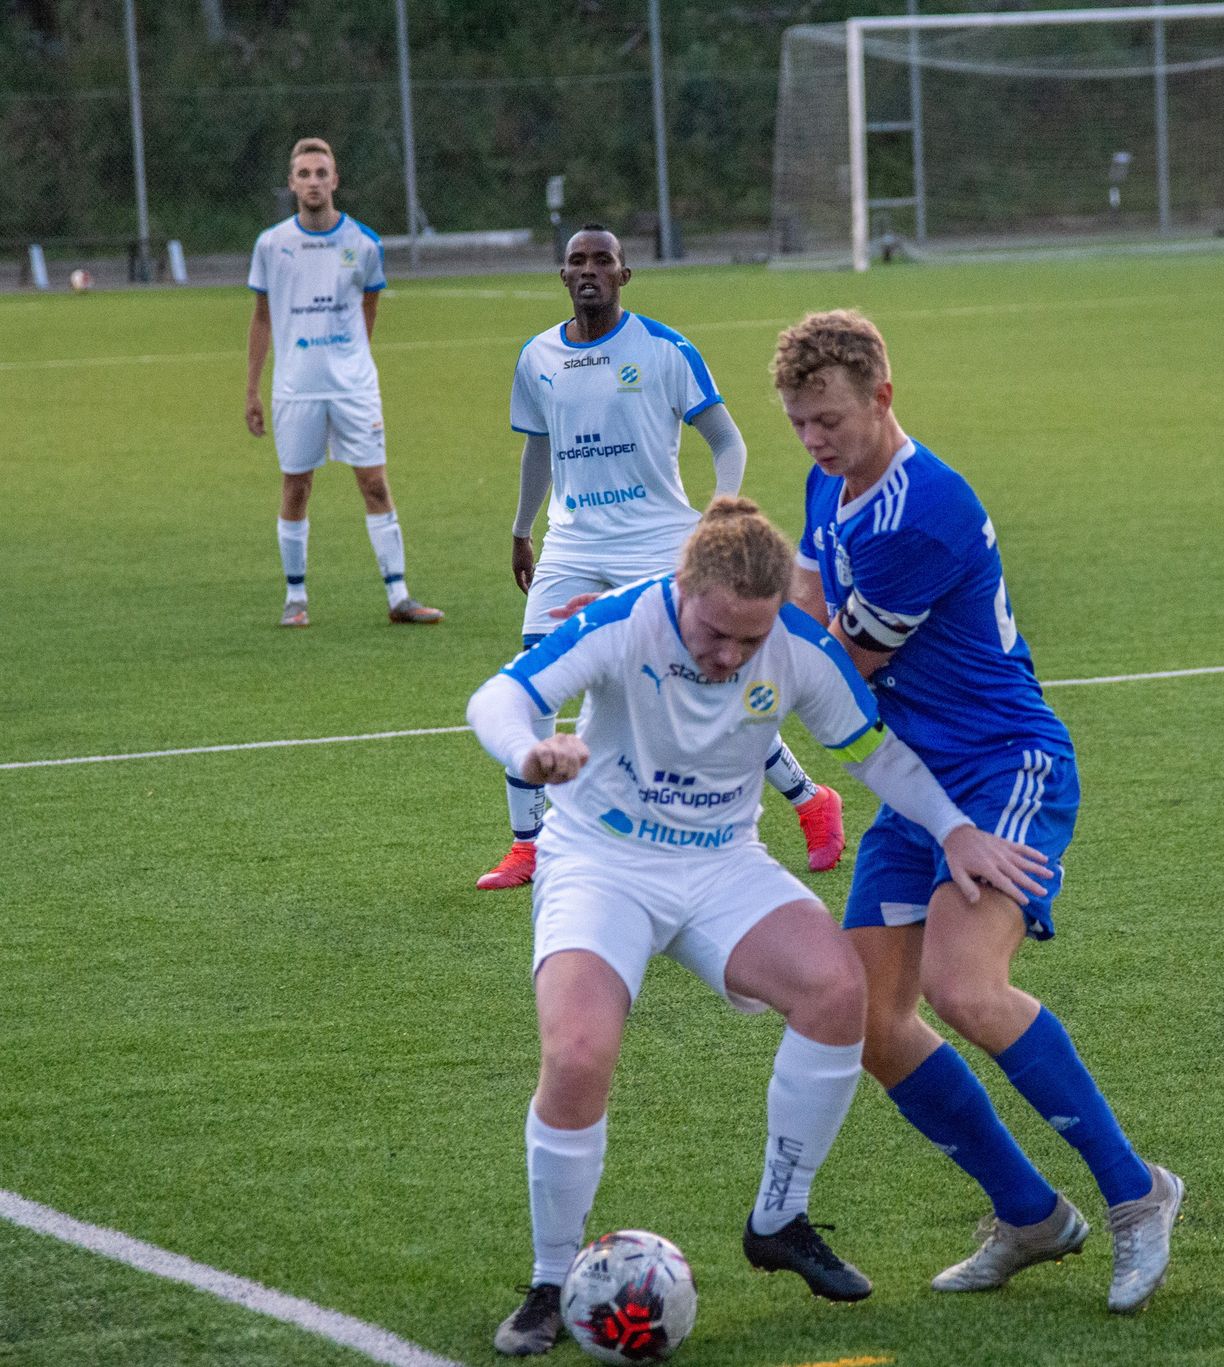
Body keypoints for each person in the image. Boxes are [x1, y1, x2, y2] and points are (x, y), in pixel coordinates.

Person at [469, 496, 1051, 1356]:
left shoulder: (799, 647)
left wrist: (953, 827)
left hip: (721, 863)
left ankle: (780, 1216)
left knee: (838, 989)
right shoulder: (624, 620)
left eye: (751, 638)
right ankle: (551, 1281)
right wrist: (529, 752)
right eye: (714, 633)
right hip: (602, 862)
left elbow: (874, 751)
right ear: (682, 589)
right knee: (580, 1052)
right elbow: (501, 695)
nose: (731, 655)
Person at [776, 310, 1184, 1316]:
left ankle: (1137, 1192)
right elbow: (805, 603)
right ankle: (1030, 1214)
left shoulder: (923, 510)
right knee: (870, 1021)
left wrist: (710, 654)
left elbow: (837, 667)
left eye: (829, 419)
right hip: (916, 781)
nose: (814, 440)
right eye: (798, 423)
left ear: (883, 396)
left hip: (1003, 765)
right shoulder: (831, 478)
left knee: (963, 984)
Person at [477, 224, 843, 892]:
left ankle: (811, 800)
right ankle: (528, 845)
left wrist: (719, 511)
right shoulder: (537, 357)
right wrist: (522, 527)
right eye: (578, 261)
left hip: (656, 541)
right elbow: (539, 448)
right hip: (572, 542)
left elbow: (726, 440)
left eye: (603, 261)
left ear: (623, 275)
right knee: (536, 679)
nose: (589, 270)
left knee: (697, 684)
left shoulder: (665, 349)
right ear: (563, 276)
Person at [245, 136, 441, 627]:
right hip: (296, 387)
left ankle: (399, 597)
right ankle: (295, 600)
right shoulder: (271, 244)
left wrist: (353, 360)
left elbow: (368, 308)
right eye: (304, 174)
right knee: (296, 487)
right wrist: (251, 390)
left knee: (374, 484)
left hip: (354, 386)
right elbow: (262, 318)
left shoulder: (364, 243)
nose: (313, 182)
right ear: (292, 184)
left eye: (321, 173)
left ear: (335, 180)